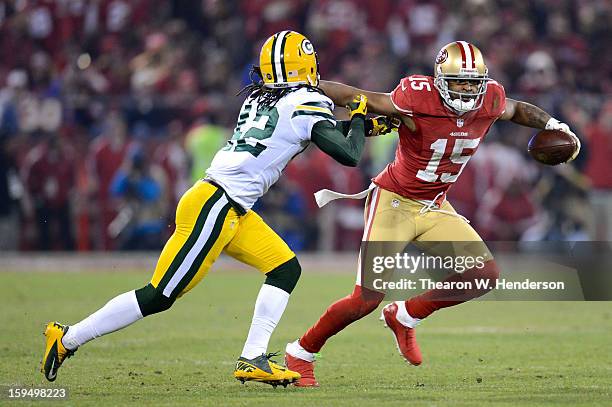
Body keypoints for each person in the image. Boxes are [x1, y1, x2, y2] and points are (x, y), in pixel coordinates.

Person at [40, 31, 391, 387]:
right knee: (159, 295)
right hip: (216, 206)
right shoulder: (308, 104)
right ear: (307, 65)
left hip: (228, 205)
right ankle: (68, 337)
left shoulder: (258, 98)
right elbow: (348, 154)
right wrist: (360, 118)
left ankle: (253, 357)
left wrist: (360, 127)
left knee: (285, 268)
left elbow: (307, 131)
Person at [284, 41, 581, 387]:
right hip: (394, 203)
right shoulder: (417, 96)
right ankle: (301, 352)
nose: (468, 90)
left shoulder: (490, 99)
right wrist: (305, 87)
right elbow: (356, 95)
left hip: (434, 205)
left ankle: (406, 315)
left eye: (474, 82)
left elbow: (517, 110)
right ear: (440, 79)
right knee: (365, 299)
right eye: (459, 81)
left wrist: (555, 124)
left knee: (482, 275)